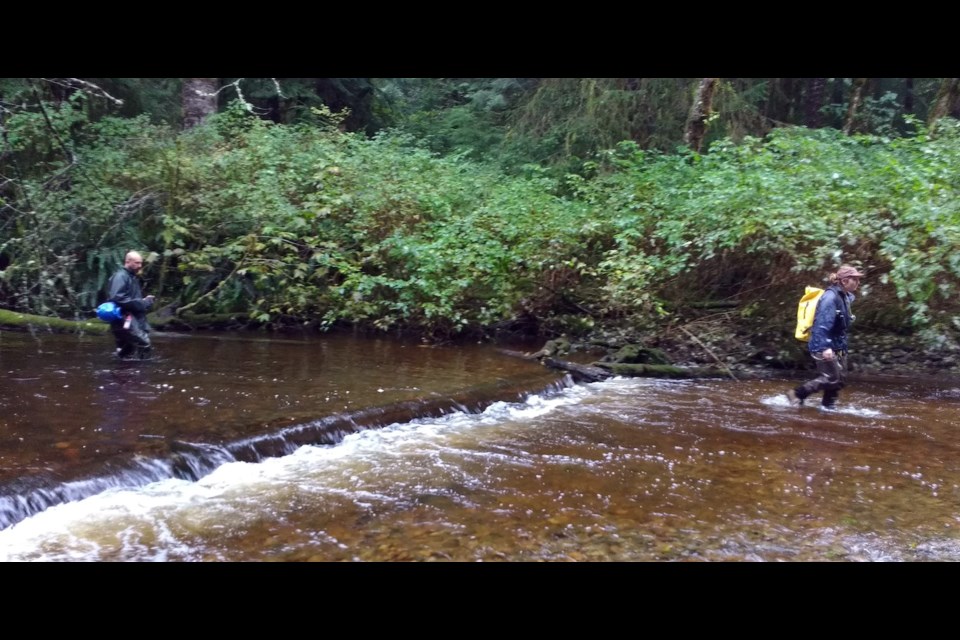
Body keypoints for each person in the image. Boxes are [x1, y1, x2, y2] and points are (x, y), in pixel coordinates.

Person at [787, 265, 865, 409]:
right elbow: (821, 324)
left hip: (839, 345)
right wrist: (825, 347)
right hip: (823, 344)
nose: (858, 283)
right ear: (844, 281)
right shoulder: (830, 297)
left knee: (840, 379)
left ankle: (828, 407)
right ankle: (797, 394)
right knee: (831, 377)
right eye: (855, 279)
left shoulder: (845, 296)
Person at [106, 250, 155, 360]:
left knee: (129, 348)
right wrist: (143, 303)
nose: (140, 266)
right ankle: (145, 371)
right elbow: (118, 298)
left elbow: (130, 299)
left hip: (131, 318)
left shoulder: (132, 277)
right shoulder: (121, 276)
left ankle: (123, 372)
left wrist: (145, 301)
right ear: (128, 262)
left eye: (140, 263)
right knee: (144, 343)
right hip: (123, 318)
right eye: (137, 263)